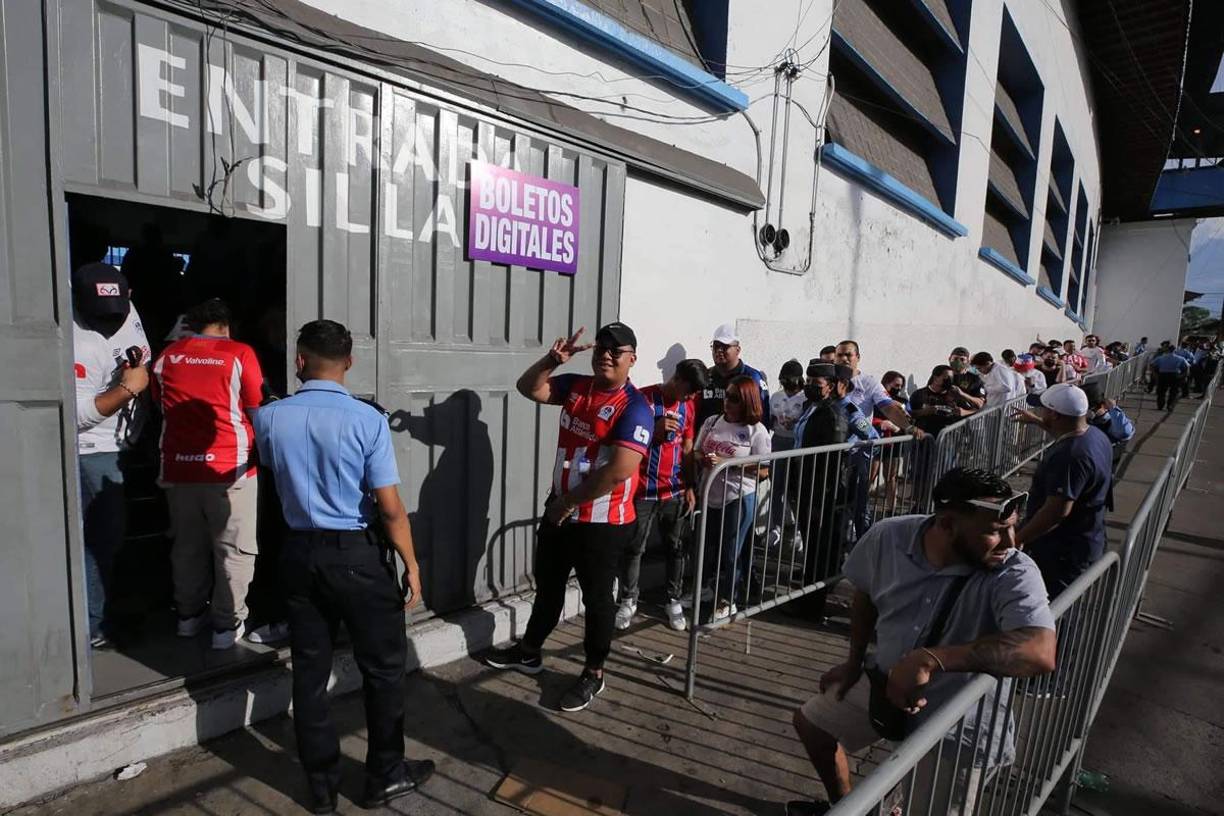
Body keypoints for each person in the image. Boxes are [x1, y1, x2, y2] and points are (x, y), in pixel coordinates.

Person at [786, 468, 1056, 816]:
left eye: (1012, 528)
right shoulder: (889, 537)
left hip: (959, 721)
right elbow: (865, 593)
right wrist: (855, 662)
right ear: (945, 524)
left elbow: (1041, 651)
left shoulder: (1014, 570)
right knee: (813, 725)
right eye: (994, 531)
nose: (1010, 542)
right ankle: (847, 808)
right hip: (884, 685)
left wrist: (932, 659)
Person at [252, 319, 433, 813]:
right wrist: (411, 564)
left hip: (298, 555)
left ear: (299, 360)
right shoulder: (366, 420)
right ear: (350, 363)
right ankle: (383, 776)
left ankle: (321, 787)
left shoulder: (268, 418)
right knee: (383, 669)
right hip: (356, 555)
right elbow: (390, 507)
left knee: (309, 671)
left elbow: (274, 476)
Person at [485, 323, 653, 712]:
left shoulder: (635, 408)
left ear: (632, 358)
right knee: (549, 586)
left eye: (617, 350)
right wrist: (552, 360)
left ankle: (594, 673)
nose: (606, 355)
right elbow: (530, 388)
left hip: (602, 522)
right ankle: (529, 652)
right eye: (602, 347)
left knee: (597, 600)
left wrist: (567, 504)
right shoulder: (579, 387)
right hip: (562, 510)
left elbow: (619, 471)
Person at [151, 298, 266, 649]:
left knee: (186, 546)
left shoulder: (166, 357)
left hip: (177, 467)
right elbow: (256, 405)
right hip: (230, 469)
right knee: (233, 550)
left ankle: (187, 617)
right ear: (226, 326)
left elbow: (160, 404)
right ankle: (225, 627)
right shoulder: (239, 353)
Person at [72, 262, 151, 649]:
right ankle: (91, 627)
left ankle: (110, 613)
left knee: (116, 539)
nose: (107, 323)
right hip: (92, 450)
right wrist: (128, 390)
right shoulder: (77, 339)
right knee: (98, 542)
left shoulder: (127, 311)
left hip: (125, 444)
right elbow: (74, 416)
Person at [614, 359, 708, 632]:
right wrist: (654, 432)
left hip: (675, 489)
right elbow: (624, 440)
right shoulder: (642, 399)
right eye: (688, 391)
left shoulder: (688, 405)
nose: (691, 398)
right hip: (643, 489)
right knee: (634, 548)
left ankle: (673, 599)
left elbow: (688, 446)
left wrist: (690, 485)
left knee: (675, 547)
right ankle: (629, 599)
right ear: (677, 379)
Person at [1015, 384, 1113, 597]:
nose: (1039, 411)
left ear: (1054, 414)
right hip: (1087, 539)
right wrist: (1038, 422)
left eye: (1043, 409)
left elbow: (1056, 512)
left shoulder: (1069, 457)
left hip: (1062, 553)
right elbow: (1067, 435)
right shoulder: (1094, 435)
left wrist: (1018, 538)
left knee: (1053, 609)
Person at [692, 375, 771, 621]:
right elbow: (695, 451)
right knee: (705, 547)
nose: (728, 402)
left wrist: (732, 464)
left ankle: (728, 599)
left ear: (747, 401)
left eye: (735, 398)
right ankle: (704, 589)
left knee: (731, 551)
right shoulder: (712, 421)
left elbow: (765, 470)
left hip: (738, 496)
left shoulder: (756, 431)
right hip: (710, 495)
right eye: (726, 395)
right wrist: (702, 460)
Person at [787, 362, 849, 616]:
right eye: (808, 381)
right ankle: (807, 596)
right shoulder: (810, 408)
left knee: (818, 550)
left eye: (817, 383)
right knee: (812, 546)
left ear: (831, 386)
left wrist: (817, 499)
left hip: (820, 491)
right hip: (804, 484)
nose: (810, 387)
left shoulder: (833, 415)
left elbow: (830, 463)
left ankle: (811, 605)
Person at [834, 341, 922, 437]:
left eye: (848, 355)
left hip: (859, 444)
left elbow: (888, 408)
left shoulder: (870, 382)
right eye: (839, 355)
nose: (843, 358)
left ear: (858, 357)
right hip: (830, 443)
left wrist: (908, 427)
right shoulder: (828, 380)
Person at [768, 360, 810, 551]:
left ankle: (800, 530)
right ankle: (775, 527)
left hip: (797, 444)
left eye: (790, 379)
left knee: (796, 490)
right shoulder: (776, 397)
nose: (787, 383)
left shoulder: (805, 398)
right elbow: (769, 420)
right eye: (784, 380)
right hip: (778, 442)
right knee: (776, 487)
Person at [696, 323, 770, 428]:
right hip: (709, 440)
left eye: (725, 346)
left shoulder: (752, 377)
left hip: (741, 441)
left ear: (738, 350)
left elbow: (763, 417)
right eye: (716, 346)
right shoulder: (705, 376)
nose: (719, 351)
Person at [835, 364, 878, 541]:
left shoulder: (850, 410)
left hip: (849, 466)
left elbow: (872, 437)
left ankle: (863, 545)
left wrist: (856, 460)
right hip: (831, 468)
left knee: (858, 509)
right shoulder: (820, 406)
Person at [1083, 383, 1135, 474]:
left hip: (1102, 472)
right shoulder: (1085, 422)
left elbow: (1125, 431)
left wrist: (1113, 408)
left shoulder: (1111, 422)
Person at [1151, 344, 1190, 412]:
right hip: (1174, 375)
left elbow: (1152, 365)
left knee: (1161, 391)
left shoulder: (1161, 358)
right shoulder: (1180, 358)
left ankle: (1160, 404)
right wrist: (1184, 375)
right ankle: (1170, 405)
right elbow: (1187, 367)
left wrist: (1155, 374)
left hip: (1163, 375)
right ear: (1175, 350)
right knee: (1173, 392)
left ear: (1168, 350)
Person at [946, 347, 986, 412]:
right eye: (955, 358)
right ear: (949, 359)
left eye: (962, 359)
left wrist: (962, 394)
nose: (958, 362)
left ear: (967, 361)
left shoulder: (975, 379)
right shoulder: (942, 374)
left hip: (966, 418)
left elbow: (980, 403)